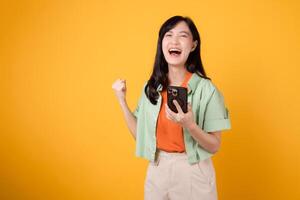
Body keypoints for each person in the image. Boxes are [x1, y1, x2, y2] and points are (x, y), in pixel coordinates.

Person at [112, 15, 231, 200]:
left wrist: (190, 125)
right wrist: (122, 101)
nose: (174, 41)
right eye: (168, 35)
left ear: (193, 45)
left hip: (193, 170)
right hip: (158, 167)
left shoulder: (207, 90)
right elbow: (140, 135)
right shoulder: (151, 87)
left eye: (183, 35)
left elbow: (215, 145)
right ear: (162, 43)